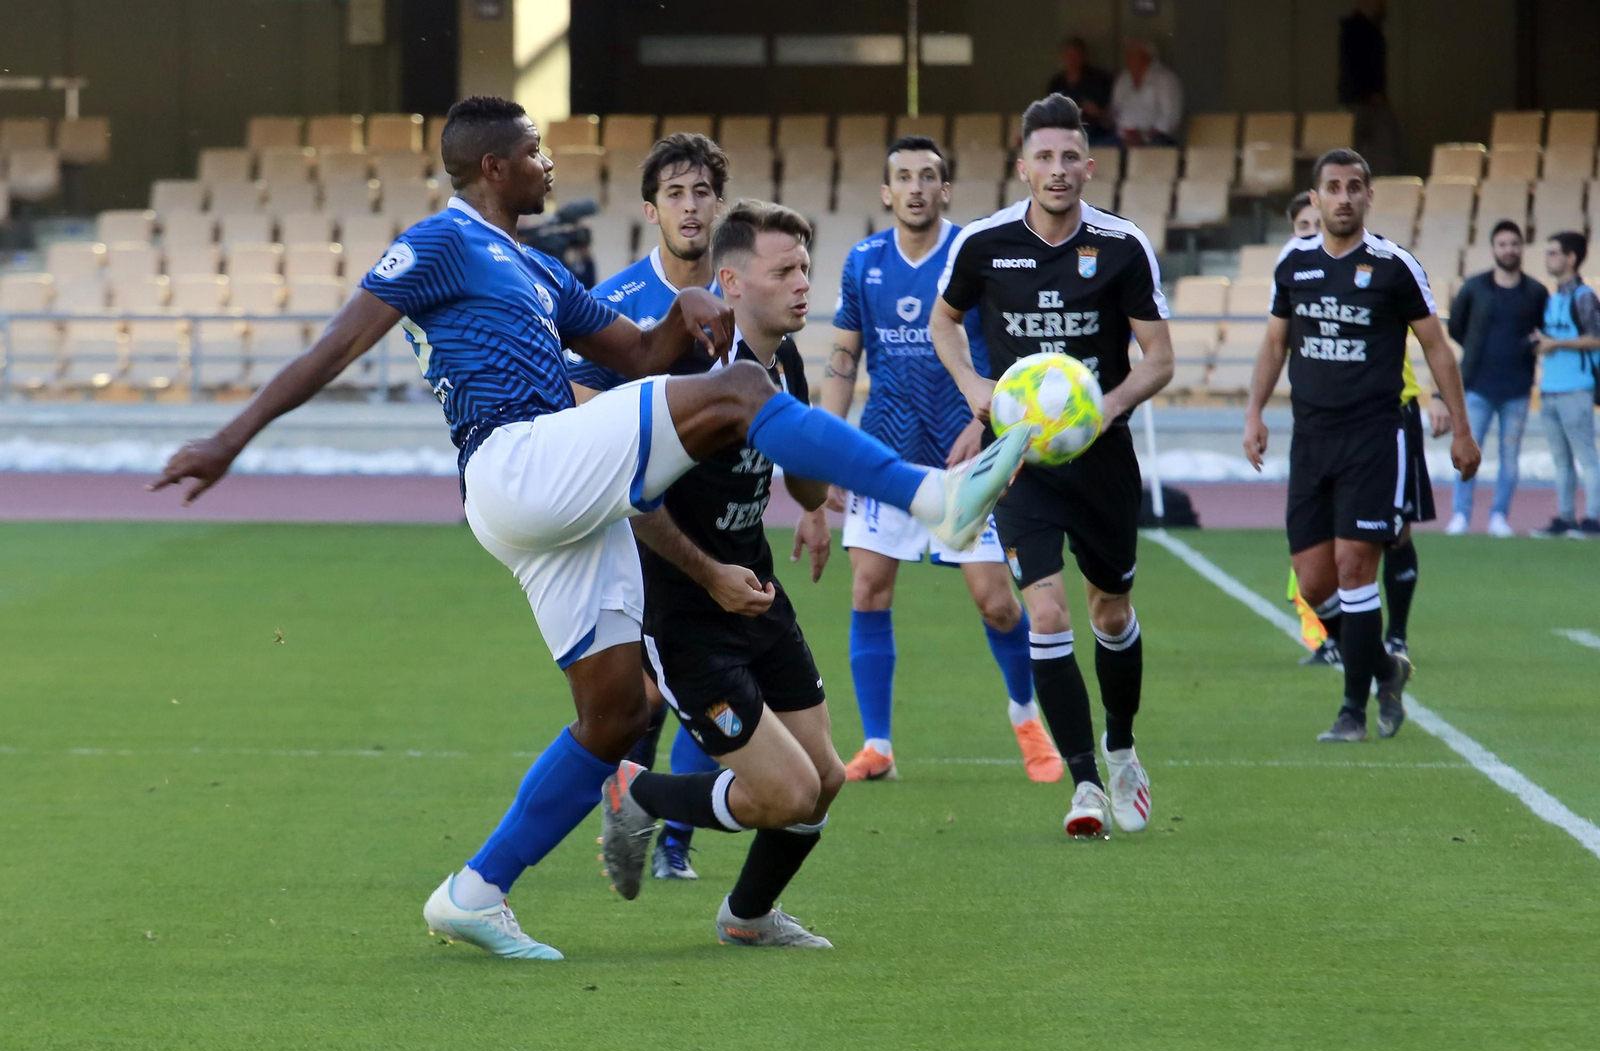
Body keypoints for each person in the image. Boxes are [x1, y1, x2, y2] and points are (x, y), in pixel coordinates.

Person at [150, 96, 1031, 961]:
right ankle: (931, 498)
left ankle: (474, 893)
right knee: (741, 392)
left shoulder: (535, 269)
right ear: (494, 167)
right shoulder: (442, 241)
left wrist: (679, 316)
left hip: (555, 498)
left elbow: (639, 355)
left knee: (616, 715)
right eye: (536, 151)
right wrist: (230, 439)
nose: (550, 164)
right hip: (519, 460)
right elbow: (333, 347)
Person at [588, 200, 843, 947]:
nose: (802, 284)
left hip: (757, 595)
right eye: (784, 270)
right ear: (731, 281)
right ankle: (641, 792)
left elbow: (797, 477)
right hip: (686, 612)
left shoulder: (784, 361)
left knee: (825, 778)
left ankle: (748, 918)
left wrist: (814, 489)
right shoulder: (688, 372)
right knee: (788, 792)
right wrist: (709, 578)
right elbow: (632, 497)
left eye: (805, 268)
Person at [931, 93, 1176, 840]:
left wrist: (1103, 409)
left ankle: (1124, 747)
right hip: (1023, 467)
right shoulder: (982, 244)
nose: (1058, 170)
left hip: (1102, 464)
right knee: (1046, 613)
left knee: (1111, 610)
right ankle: (1084, 785)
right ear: (1023, 165)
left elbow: (1159, 360)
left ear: (1089, 166)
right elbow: (944, 320)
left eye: (1071, 157)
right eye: (1044, 157)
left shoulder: (1123, 246)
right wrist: (975, 389)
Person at [823, 135, 1059, 785]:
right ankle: (877, 745)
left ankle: (1024, 714)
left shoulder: (973, 253)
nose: (918, 187)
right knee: (869, 590)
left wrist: (982, 426)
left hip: (966, 455)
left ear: (946, 189)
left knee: (996, 602)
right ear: (886, 192)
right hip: (883, 454)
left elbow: (1006, 351)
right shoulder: (863, 261)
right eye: (904, 177)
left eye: (929, 176)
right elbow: (844, 359)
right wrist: (829, 445)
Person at [1243, 148, 1480, 744]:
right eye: (1333, 187)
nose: (1344, 197)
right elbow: (1275, 345)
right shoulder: (1294, 264)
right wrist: (1254, 413)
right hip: (1311, 439)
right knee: (1315, 584)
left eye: (1354, 187)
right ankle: (1383, 667)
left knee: (1354, 568)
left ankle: (1352, 710)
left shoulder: (1396, 266)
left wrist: (1462, 426)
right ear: (1315, 198)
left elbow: (1436, 347)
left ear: (1369, 197)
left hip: (1374, 439)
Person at [567, 132, 742, 882]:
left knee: (705, 685)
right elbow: (576, 398)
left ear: (719, 205)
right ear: (651, 209)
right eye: (675, 192)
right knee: (642, 694)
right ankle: (636, 819)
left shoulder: (743, 295)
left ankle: (671, 840)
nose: (690, 205)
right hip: (637, 524)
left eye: (702, 191)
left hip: (722, 523)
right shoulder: (615, 303)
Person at [1289, 190, 1451, 669]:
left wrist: (1436, 399)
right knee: (1325, 559)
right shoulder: (1298, 272)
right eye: (1299, 226)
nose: (1305, 232)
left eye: (1307, 223)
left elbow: (1430, 340)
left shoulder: (1383, 268)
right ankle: (1360, 650)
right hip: (1322, 430)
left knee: (1392, 534)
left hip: (1390, 415)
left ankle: (1393, 638)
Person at [1445, 220, 1548, 537]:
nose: (1509, 250)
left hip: (1517, 389)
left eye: (1514, 244)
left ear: (1522, 248)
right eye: (1503, 244)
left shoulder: (1536, 291)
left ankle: (1499, 517)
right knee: (1467, 453)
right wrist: (1476, 350)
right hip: (1476, 386)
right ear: (1493, 249)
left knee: (1510, 457)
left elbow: (1543, 332)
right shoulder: (1475, 287)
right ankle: (1460, 515)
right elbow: (1455, 327)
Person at [1531, 231, 1600, 538]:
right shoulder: (1554, 298)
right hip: (1551, 389)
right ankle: (1566, 517)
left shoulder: (1584, 297)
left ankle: (1594, 518)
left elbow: (1595, 338)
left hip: (1576, 387)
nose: (1549, 258)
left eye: (1554, 252)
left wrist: (1556, 344)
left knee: (1586, 457)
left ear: (1571, 258)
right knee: (1561, 460)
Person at [1338, 0, 1398, 174]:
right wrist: (1371, 93)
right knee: (1375, 144)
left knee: (1382, 147)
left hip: (1368, 98)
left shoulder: (1372, 28)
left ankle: (1379, 184)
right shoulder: (1355, 29)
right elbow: (1355, 66)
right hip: (1362, 100)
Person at [1109, 39, 1182, 148]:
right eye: (1129, 55)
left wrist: (1143, 136)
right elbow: (1116, 110)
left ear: (1146, 56)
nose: (1130, 60)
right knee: (1100, 146)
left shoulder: (1165, 79)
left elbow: (1170, 117)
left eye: (1134, 55)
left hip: (1155, 139)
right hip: (1123, 139)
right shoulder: (1123, 79)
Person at [1045, 37, 1115, 145]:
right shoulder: (1056, 84)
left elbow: (1111, 115)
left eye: (1076, 56)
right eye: (1069, 56)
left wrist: (1096, 111)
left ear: (1083, 57)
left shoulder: (1099, 80)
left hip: (1095, 133)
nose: (1072, 60)